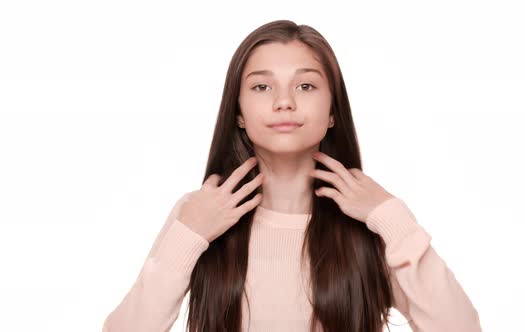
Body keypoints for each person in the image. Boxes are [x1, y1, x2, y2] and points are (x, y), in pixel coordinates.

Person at [102, 20, 482, 332]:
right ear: (238, 113)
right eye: (262, 86)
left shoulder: (374, 223)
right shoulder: (198, 212)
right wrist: (187, 238)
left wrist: (392, 217)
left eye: (306, 85)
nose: (284, 101)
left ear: (333, 111)